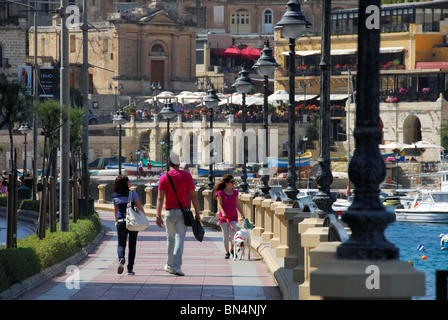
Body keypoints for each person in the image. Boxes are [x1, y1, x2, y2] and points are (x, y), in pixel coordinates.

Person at [156, 152, 200, 276]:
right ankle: (176, 266)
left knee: (170, 239)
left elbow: (159, 198)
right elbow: (194, 196)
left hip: (169, 212)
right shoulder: (186, 176)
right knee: (180, 237)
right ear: (179, 163)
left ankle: (169, 265)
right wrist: (197, 213)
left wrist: (158, 215)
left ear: (169, 163)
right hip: (183, 212)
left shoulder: (164, 177)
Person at [112, 175, 146, 275]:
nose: (130, 183)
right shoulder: (133, 194)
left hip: (121, 222)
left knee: (121, 244)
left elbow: (115, 210)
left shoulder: (115, 196)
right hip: (132, 222)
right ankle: (130, 269)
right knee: (132, 245)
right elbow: (140, 207)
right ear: (126, 183)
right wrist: (144, 220)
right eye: (129, 181)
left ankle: (121, 258)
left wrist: (116, 221)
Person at [214, 174, 245, 259]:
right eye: (232, 182)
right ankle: (227, 252)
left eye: (233, 181)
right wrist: (223, 212)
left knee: (233, 233)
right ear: (227, 183)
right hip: (224, 218)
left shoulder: (235, 192)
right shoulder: (220, 193)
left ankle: (232, 249)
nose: (233, 183)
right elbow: (219, 204)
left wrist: (242, 213)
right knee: (225, 235)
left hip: (233, 216)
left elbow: (237, 204)